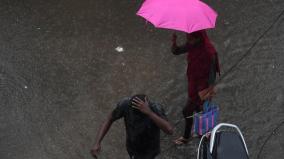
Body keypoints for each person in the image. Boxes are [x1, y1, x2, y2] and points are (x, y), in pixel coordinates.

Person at [171, 30, 220, 145]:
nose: (189, 41)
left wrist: (209, 91)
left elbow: (212, 73)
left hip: (202, 86)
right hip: (193, 81)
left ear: (199, 38)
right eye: (188, 38)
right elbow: (176, 51)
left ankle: (186, 137)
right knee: (199, 109)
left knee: (187, 111)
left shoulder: (208, 51)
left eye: (191, 39)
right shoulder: (192, 45)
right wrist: (174, 41)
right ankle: (203, 133)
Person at [90, 94, 173, 159]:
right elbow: (109, 119)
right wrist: (97, 142)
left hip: (150, 149)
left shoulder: (155, 108)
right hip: (132, 147)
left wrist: (150, 113)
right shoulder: (126, 104)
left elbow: (169, 130)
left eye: (140, 116)